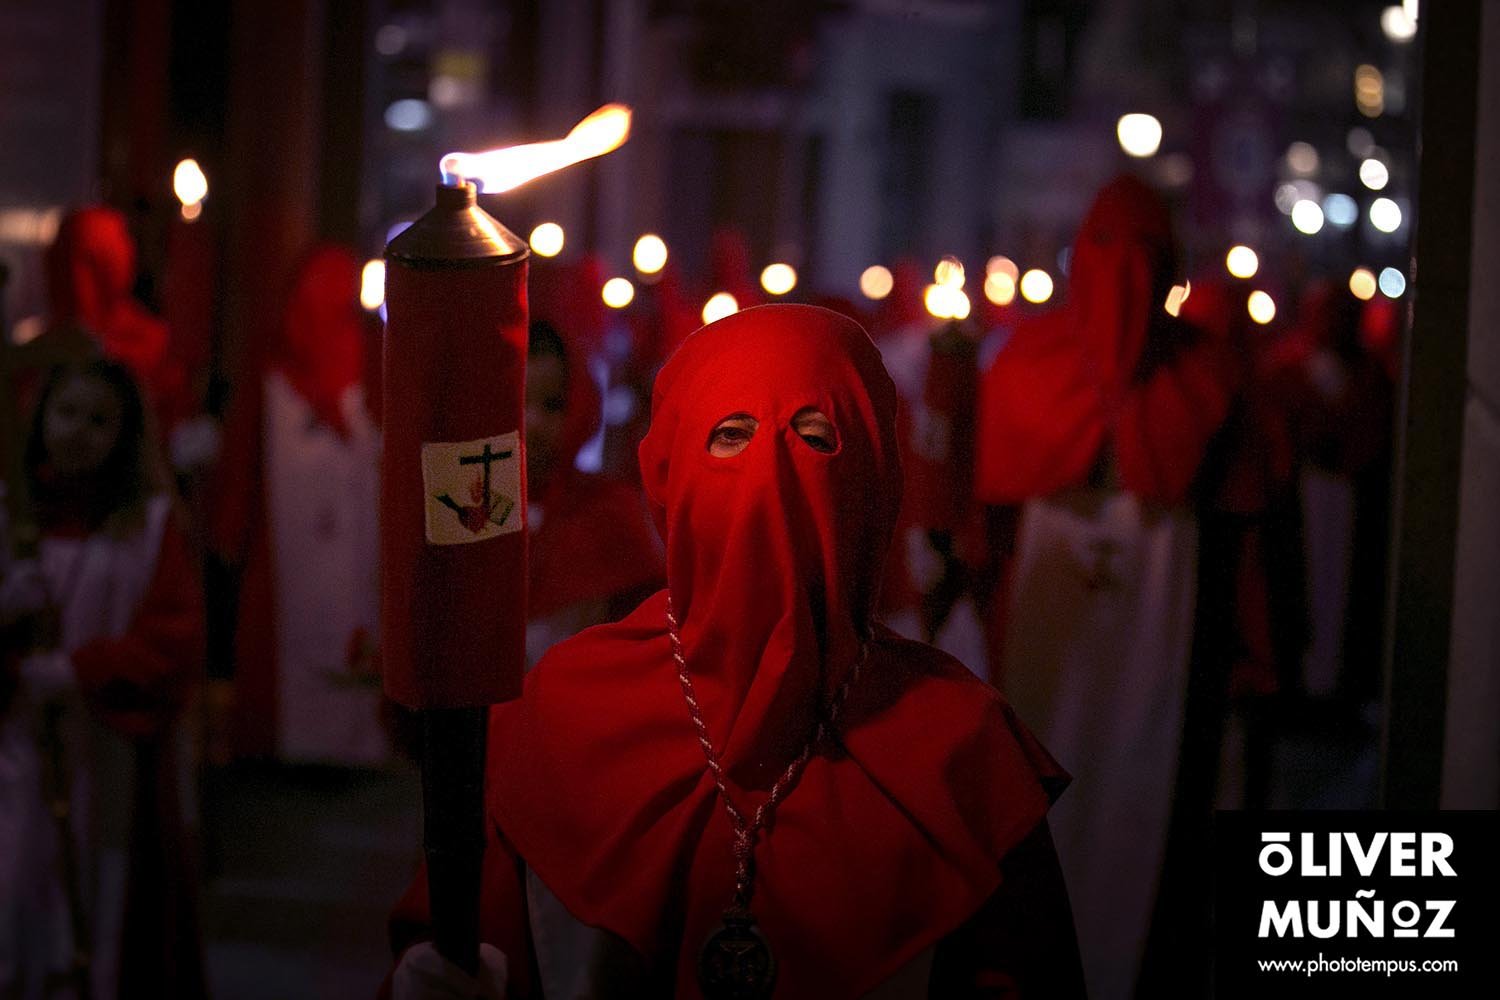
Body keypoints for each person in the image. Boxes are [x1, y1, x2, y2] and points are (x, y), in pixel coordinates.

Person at [386, 304, 1083, 998]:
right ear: (672, 470)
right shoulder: (560, 715)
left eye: (815, 438)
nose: (769, 481)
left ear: (873, 478)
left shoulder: (963, 746)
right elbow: (470, 937)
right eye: (731, 435)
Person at [973, 176, 1233, 999]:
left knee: (1138, 799)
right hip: (1045, 628)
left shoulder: (1209, 378)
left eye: (1141, 256)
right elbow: (990, 525)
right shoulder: (1027, 363)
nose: (1123, 278)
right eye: (1107, 255)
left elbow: (1243, 532)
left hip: (1163, 631)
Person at [0, 359, 206, 999]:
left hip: (106, 751)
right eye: (66, 413)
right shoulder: (11, 519)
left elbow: (174, 639)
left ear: (126, 433)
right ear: (39, 420)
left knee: (96, 894)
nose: (78, 433)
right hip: (12, 750)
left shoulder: (146, 526)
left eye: (99, 420)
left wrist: (77, 671)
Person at [209, 244, 385, 763]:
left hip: (355, 543)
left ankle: (353, 742)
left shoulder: (371, 362)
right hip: (290, 549)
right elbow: (244, 463)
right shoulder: (271, 376)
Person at [524, 320, 663, 665]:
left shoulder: (607, 512)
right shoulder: (467, 512)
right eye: (517, 401)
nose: (533, 423)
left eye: (553, 405)